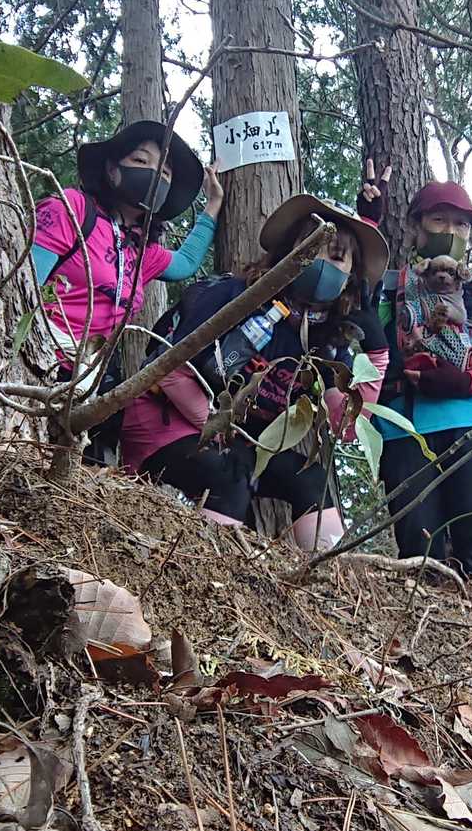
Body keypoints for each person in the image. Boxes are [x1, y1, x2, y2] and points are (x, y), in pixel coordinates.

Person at [120, 195, 390, 550]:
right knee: (229, 476)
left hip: (239, 442)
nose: (322, 263)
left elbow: (347, 426)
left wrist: (377, 354)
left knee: (310, 480)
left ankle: (327, 575)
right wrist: (221, 432)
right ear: (289, 252)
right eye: (312, 248)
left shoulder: (325, 342)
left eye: (337, 257)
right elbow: (169, 371)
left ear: (350, 278)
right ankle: (206, 573)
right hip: (164, 421)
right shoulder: (233, 296)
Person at [30, 120, 223, 462]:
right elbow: (24, 288)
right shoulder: (72, 209)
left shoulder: (142, 250)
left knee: (90, 462)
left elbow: (185, 263)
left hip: (95, 373)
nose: (155, 174)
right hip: (40, 362)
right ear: (111, 168)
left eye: (165, 173)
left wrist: (212, 206)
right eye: (140, 160)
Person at [358, 165, 472, 600]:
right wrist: (367, 219)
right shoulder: (390, 288)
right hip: (403, 428)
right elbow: (354, 292)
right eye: (439, 220)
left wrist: (468, 381)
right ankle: (422, 639)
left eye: (461, 224)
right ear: (415, 226)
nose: (451, 231)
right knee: (419, 553)